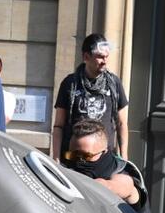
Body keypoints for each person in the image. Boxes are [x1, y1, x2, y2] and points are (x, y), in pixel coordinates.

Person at [51, 33, 129, 162]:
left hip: (103, 158)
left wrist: (124, 156)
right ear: (86, 57)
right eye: (100, 57)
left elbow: (122, 123)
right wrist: (56, 157)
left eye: (106, 57)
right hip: (74, 157)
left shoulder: (114, 83)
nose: (105, 61)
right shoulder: (70, 83)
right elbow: (59, 125)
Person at [61, 119, 148, 213]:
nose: (79, 160)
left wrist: (96, 184)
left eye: (86, 156)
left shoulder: (121, 171)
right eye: (73, 155)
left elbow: (123, 185)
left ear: (103, 152)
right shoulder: (69, 166)